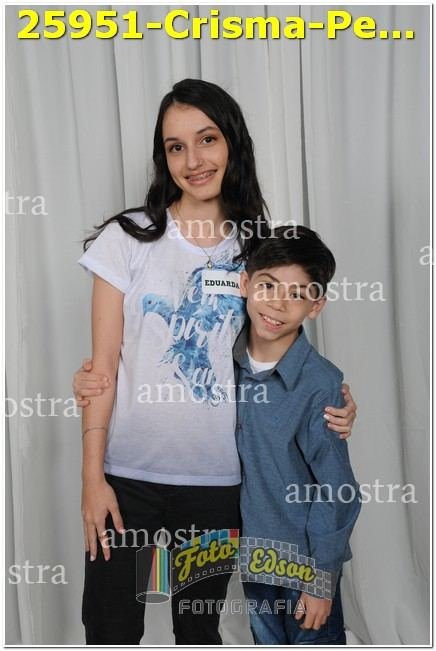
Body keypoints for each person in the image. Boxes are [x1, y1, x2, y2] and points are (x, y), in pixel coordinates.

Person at [74, 78, 357, 645]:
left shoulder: (256, 249)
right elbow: (100, 371)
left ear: (232, 143)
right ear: (164, 158)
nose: (193, 161)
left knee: (197, 628)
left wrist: (335, 398)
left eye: (207, 140)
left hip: (216, 486)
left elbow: (280, 345)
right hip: (127, 482)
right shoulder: (128, 238)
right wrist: (92, 478)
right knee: (112, 628)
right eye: (176, 147)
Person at [235, 224, 361, 645]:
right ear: (246, 284)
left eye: (297, 294)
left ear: (316, 306)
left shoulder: (320, 385)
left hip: (304, 564)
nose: (278, 303)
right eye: (268, 286)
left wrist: (321, 579)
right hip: (254, 557)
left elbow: (338, 489)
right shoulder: (221, 363)